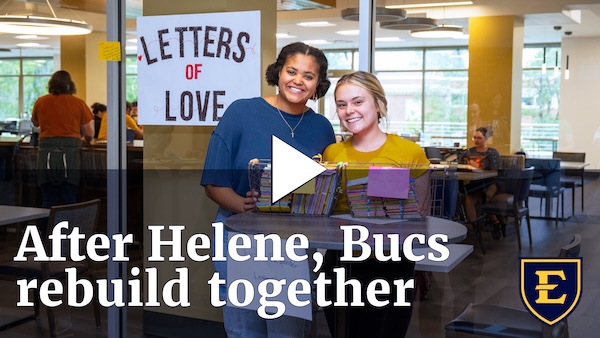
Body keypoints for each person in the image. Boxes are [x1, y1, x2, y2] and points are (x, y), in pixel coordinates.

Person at [200, 42, 335, 338]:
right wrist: (242, 205)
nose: (298, 81)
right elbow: (213, 182)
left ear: (318, 85)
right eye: (291, 71)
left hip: (295, 241)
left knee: (288, 330)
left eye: (308, 76)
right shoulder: (241, 112)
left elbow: (324, 189)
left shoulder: (322, 128)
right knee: (243, 328)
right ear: (278, 72)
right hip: (240, 233)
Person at [321, 71, 430, 338]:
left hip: (391, 264)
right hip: (340, 262)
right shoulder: (331, 154)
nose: (349, 111)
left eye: (358, 102)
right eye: (342, 104)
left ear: (379, 104)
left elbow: (421, 217)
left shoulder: (409, 152)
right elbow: (324, 213)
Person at [31, 70, 94, 208]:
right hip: (70, 154)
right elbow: (89, 133)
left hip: (46, 153)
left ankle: (47, 228)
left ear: (51, 84)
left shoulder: (41, 102)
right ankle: (68, 229)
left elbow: (35, 123)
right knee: (68, 197)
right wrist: (87, 141)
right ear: (70, 85)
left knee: (48, 198)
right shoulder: (79, 103)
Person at [460, 127, 501, 238]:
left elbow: (495, 171)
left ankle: (495, 223)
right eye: (475, 138)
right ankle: (475, 229)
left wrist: (479, 167)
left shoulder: (492, 153)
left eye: (479, 138)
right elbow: (459, 164)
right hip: (474, 183)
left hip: (490, 183)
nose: (476, 140)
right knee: (469, 199)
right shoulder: (469, 152)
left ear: (486, 138)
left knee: (484, 198)